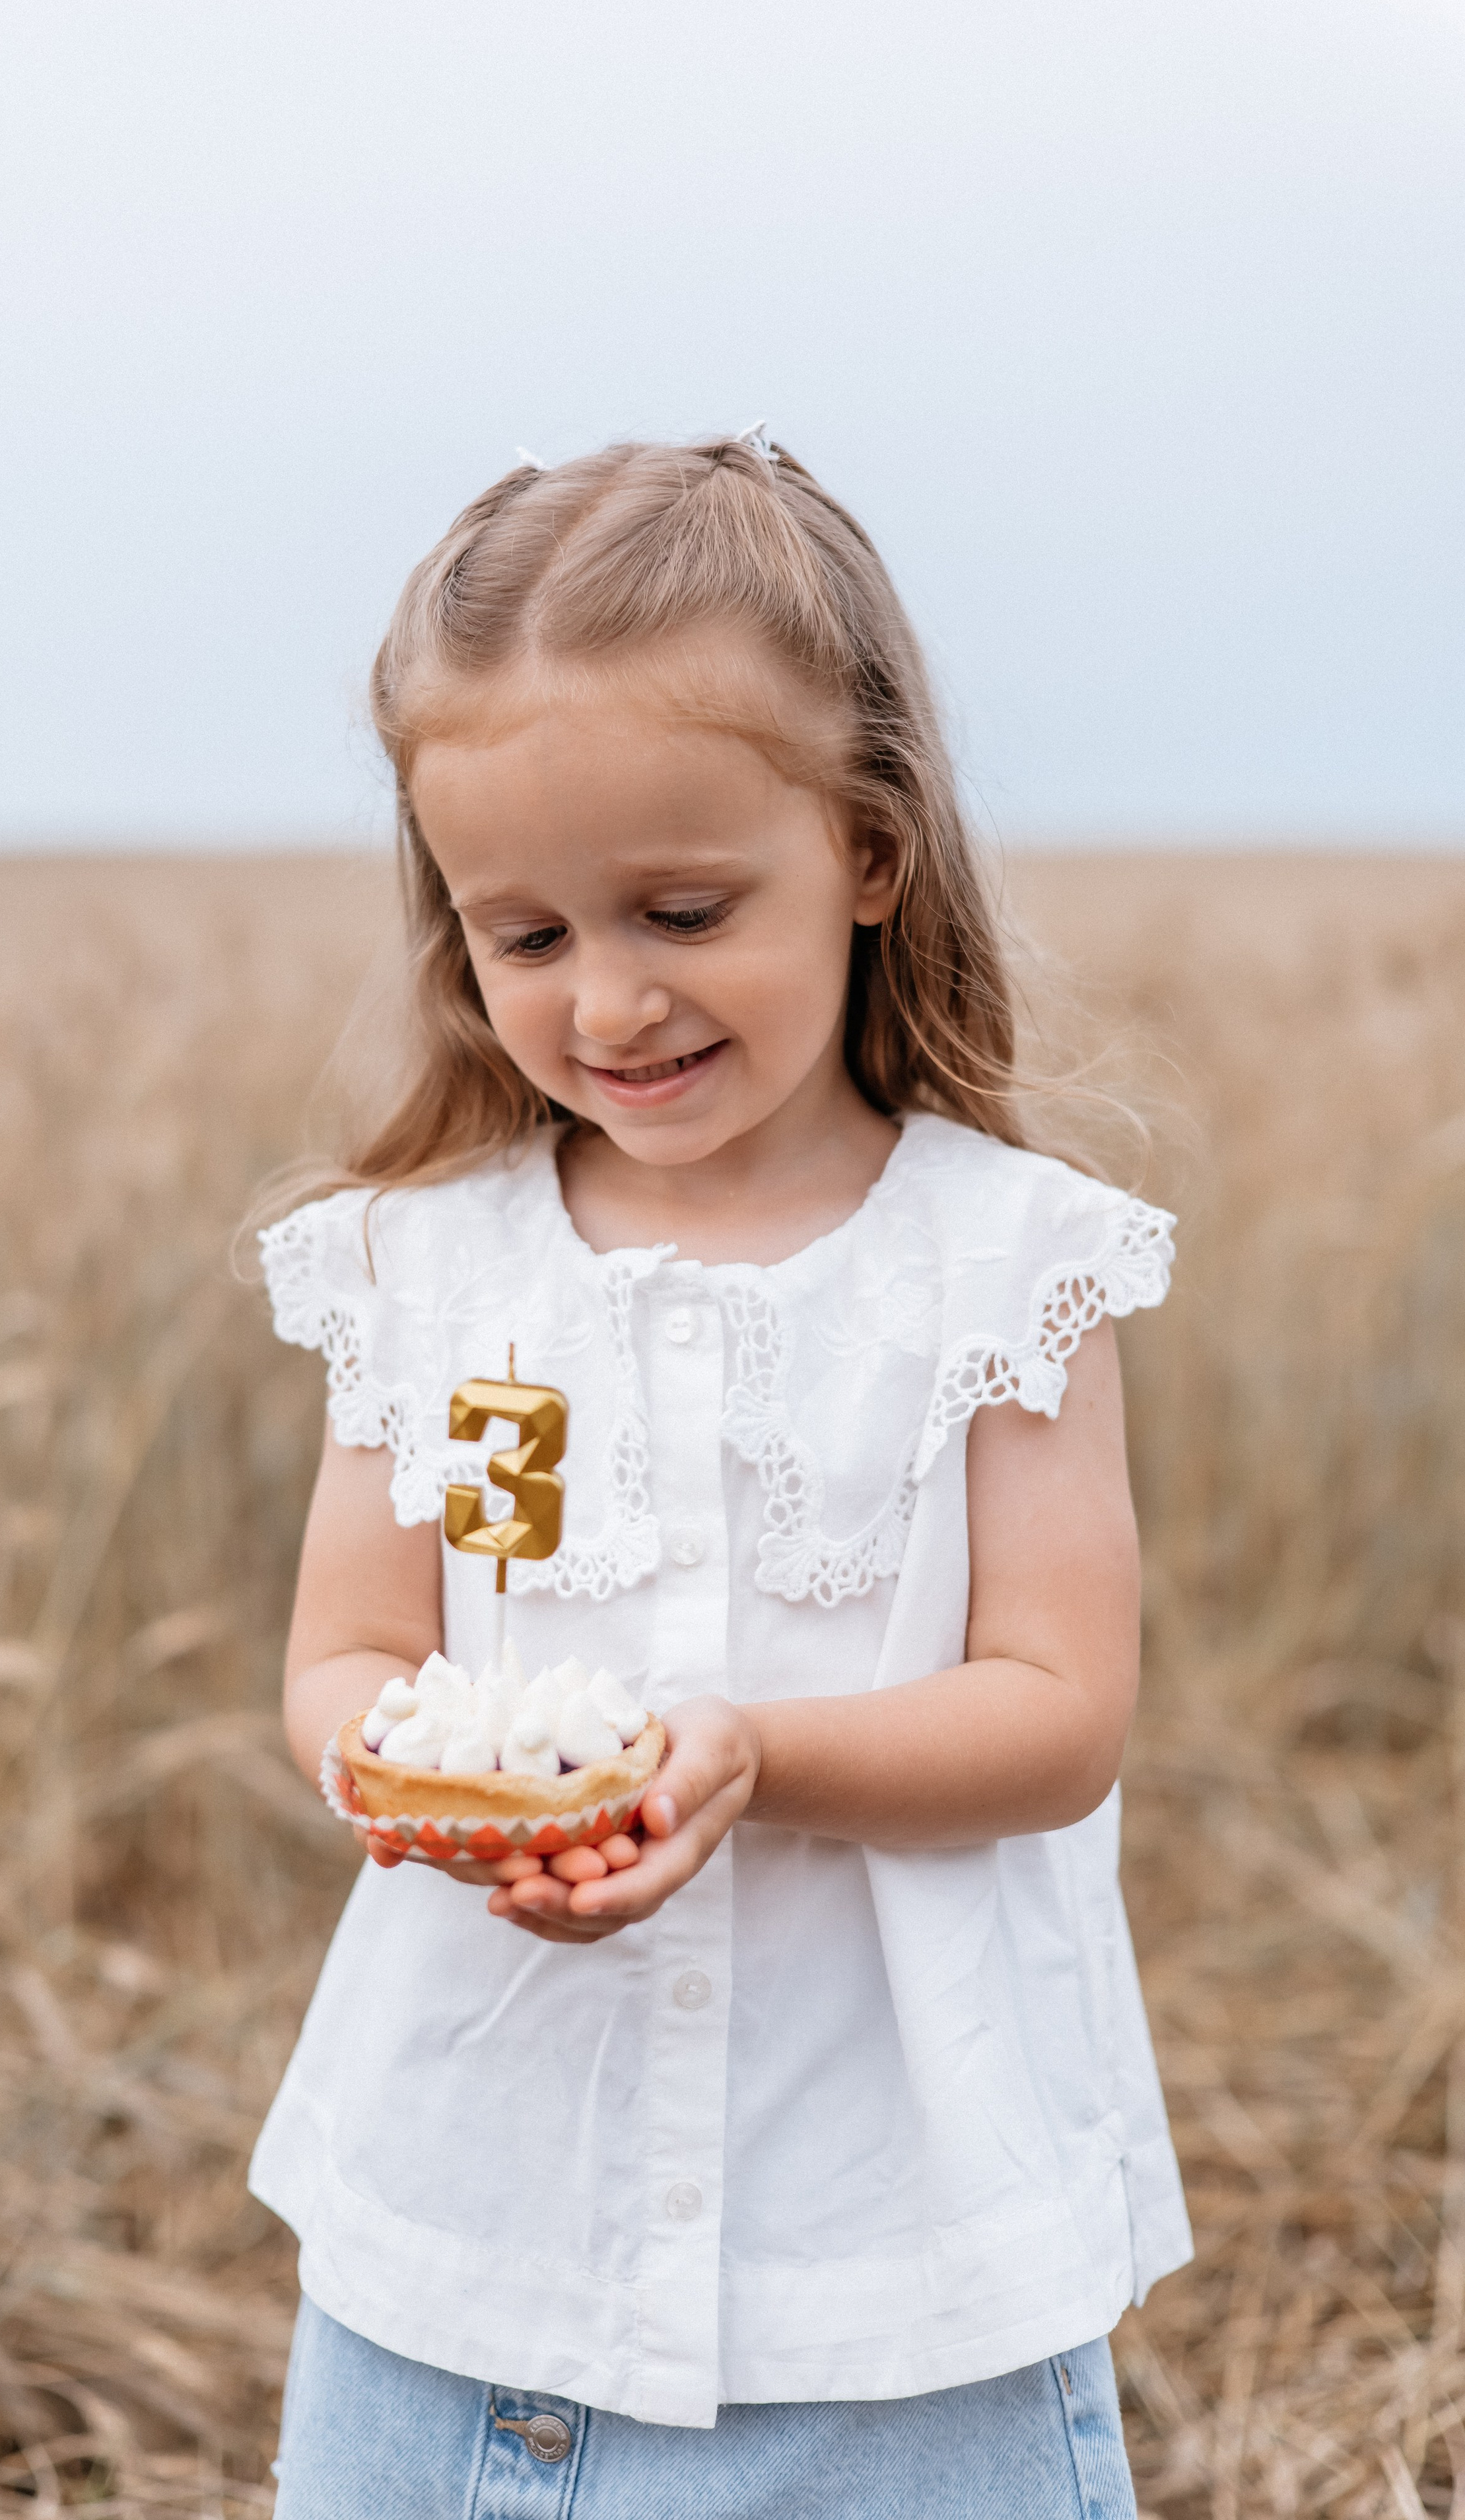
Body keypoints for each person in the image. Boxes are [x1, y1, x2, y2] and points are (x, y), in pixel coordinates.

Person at [251, 433, 1190, 2519]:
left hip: (895, 2307)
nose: (609, 1000)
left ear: (869, 850)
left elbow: (1060, 1714)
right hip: (458, 2253)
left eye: (683, 911)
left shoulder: (1005, 1265)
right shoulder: (423, 1268)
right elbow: (348, 1656)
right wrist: (430, 1789)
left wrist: (747, 1755)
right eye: (523, 936)